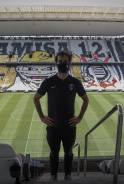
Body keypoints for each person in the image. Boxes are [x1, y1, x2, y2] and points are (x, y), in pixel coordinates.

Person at [33, 50, 89, 181]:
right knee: (54, 153)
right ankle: (53, 175)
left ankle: (68, 174)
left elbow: (86, 99)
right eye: (60, 61)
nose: (63, 63)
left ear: (69, 63)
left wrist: (80, 117)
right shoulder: (48, 82)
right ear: (56, 63)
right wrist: (42, 117)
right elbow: (36, 98)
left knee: (69, 153)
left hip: (70, 126)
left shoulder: (75, 82)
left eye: (65, 61)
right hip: (53, 126)